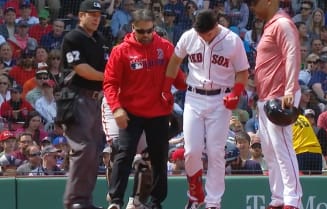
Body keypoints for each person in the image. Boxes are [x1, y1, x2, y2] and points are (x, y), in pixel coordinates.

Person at [164, 9, 249, 209]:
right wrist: (166, 88)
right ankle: (195, 194)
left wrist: (236, 93)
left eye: (207, 33)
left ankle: (213, 202)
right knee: (192, 151)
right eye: (200, 33)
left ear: (216, 26)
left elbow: (243, 72)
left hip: (220, 99)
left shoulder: (232, 40)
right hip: (194, 97)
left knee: (215, 151)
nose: (203, 36)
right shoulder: (189, 36)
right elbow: (175, 60)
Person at [104, 9, 186, 209]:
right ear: (133, 28)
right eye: (142, 32)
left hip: (158, 112)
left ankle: (156, 202)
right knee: (123, 155)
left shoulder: (166, 47)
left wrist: (192, 86)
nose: (147, 35)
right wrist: (116, 109)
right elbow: (110, 83)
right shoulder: (120, 51)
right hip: (131, 112)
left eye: (150, 31)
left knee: (159, 158)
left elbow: (179, 78)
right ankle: (115, 201)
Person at [249, 0, 303, 208]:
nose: (253, 7)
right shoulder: (270, 24)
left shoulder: (282, 23)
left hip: (281, 94)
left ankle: (293, 199)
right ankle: (278, 197)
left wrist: (289, 89)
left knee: (282, 148)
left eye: (255, 2)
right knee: (270, 151)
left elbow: (292, 53)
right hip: (266, 97)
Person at [61, 1, 107, 209]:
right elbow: (81, 69)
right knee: (84, 148)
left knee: (94, 150)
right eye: (92, 14)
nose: (96, 18)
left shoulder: (99, 39)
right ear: (81, 15)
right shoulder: (73, 37)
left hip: (96, 99)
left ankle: (85, 201)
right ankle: (74, 202)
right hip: (76, 97)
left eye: (98, 14)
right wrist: (110, 78)